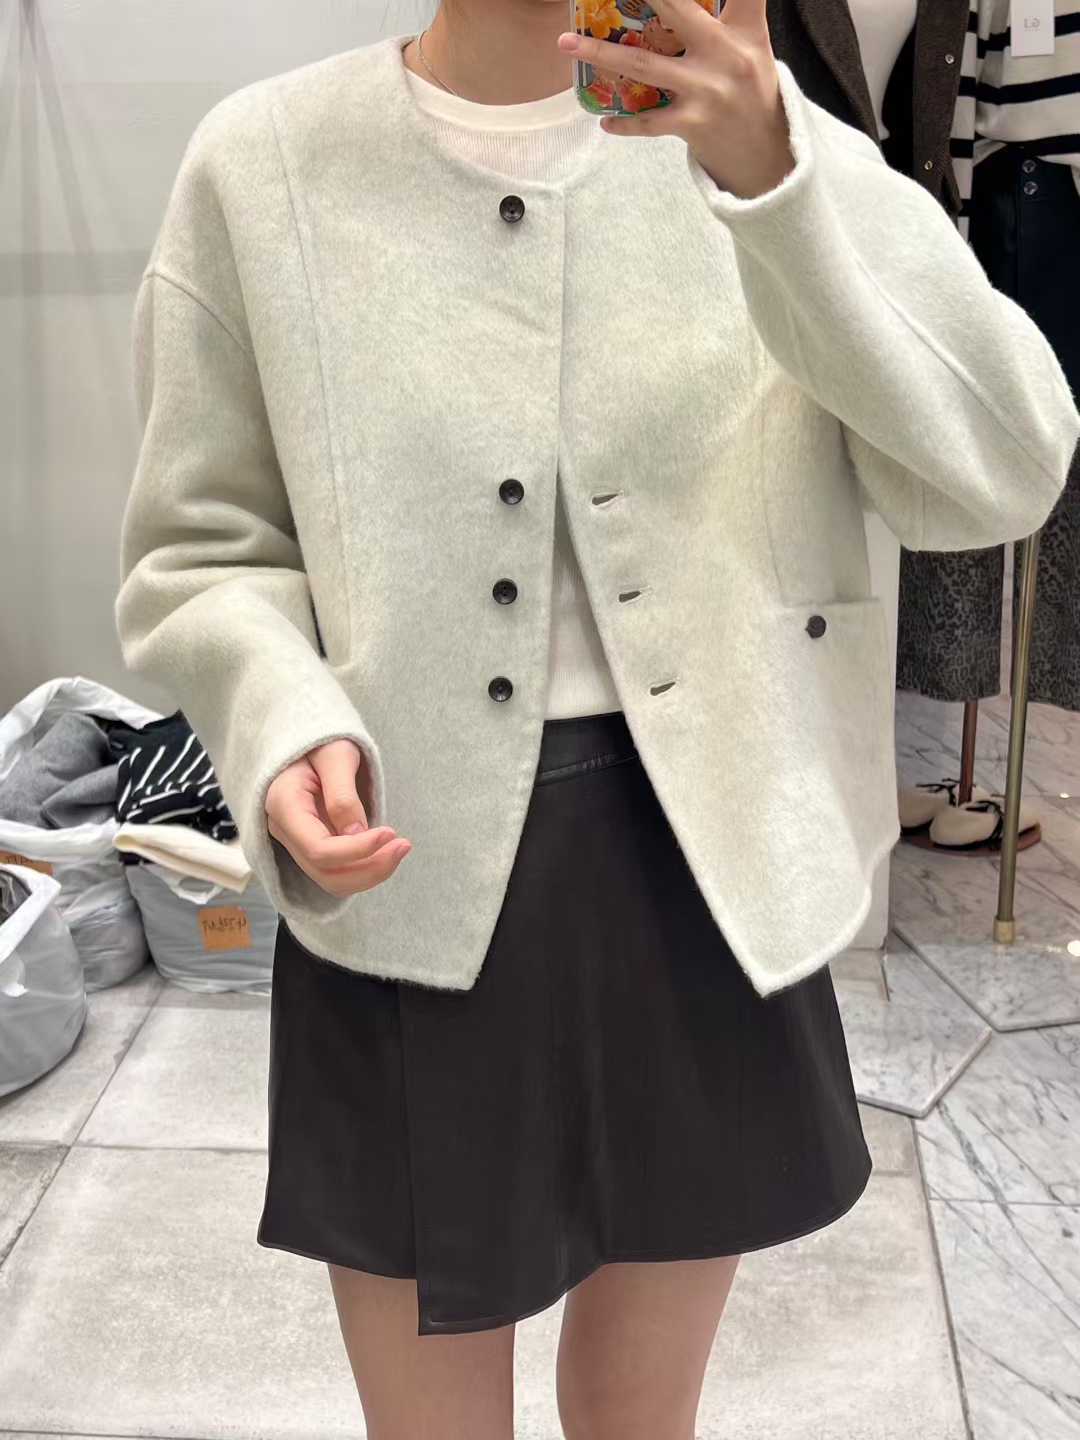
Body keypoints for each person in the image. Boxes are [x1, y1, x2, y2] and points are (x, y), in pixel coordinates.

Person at [115, 0, 1080, 1435]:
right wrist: (279, 717)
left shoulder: (770, 150)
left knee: (643, 1419)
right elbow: (201, 547)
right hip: (411, 870)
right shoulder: (263, 166)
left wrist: (780, 180)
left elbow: (1003, 468)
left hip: (708, 866)